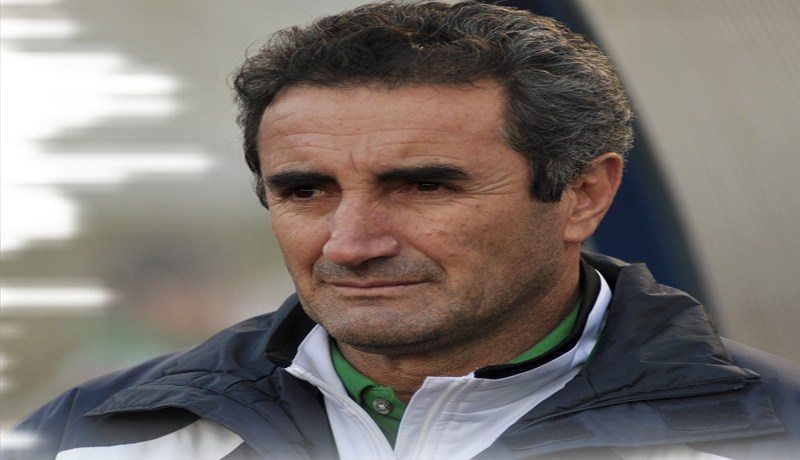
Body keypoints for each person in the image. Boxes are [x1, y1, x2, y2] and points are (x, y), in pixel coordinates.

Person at [6, 2, 799, 459]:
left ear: (584, 195)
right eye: (306, 191)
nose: (351, 243)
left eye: (424, 185)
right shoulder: (93, 436)